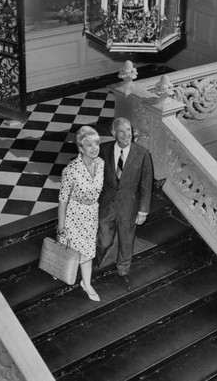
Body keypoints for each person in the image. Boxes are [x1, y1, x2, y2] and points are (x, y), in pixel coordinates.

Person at [96, 117, 154, 291]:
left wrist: (143, 211)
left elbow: (146, 185)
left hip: (129, 207)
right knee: (104, 240)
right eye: (121, 131)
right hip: (106, 205)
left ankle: (123, 272)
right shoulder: (104, 150)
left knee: (126, 242)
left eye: (128, 130)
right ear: (114, 133)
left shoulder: (142, 154)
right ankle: (97, 260)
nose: (126, 134)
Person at [57, 126, 104, 302]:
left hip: (92, 213)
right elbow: (62, 200)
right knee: (77, 250)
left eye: (97, 144)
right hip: (74, 215)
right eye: (89, 145)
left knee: (88, 250)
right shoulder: (71, 170)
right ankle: (83, 281)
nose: (94, 148)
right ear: (80, 148)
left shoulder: (101, 164)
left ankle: (86, 283)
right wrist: (61, 228)